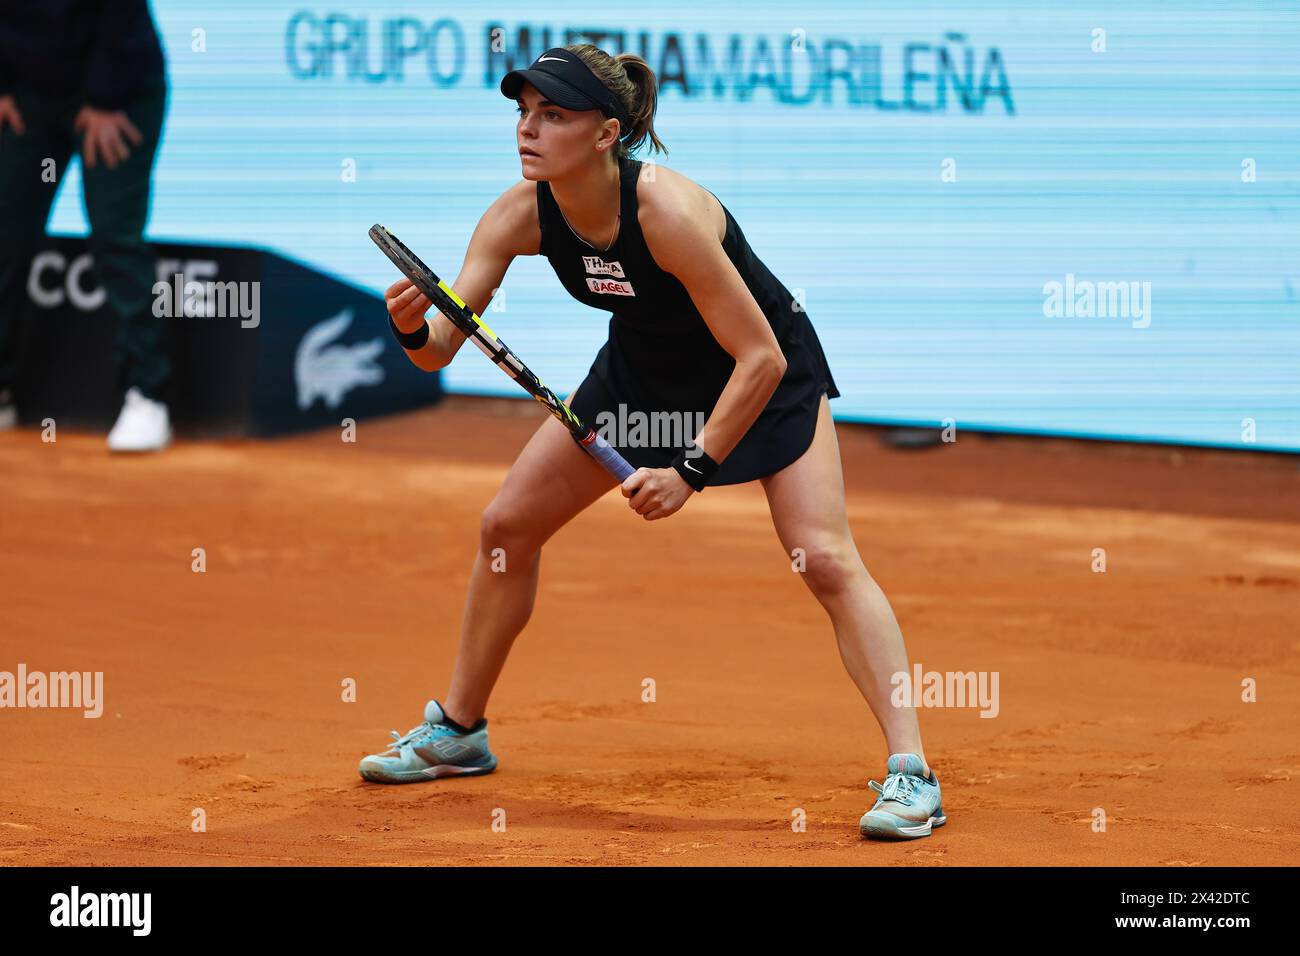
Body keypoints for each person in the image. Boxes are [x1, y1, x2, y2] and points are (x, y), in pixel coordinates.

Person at [364, 44, 946, 840]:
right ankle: (459, 732)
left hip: (761, 377)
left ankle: (912, 775)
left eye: (553, 116)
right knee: (507, 526)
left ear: (607, 134)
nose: (528, 131)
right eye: (523, 114)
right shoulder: (517, 214)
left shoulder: (665, 213)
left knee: (825, 556)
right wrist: (407, 329)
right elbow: (441, 344)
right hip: (641, 379)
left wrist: (691, 471)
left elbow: (762, 357)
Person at [0, 0, 171, 451]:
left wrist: (105, 97)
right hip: (27, 95)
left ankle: (146, 395)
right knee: (5, 235)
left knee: (116, 238)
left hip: (120, 95)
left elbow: (121, 13)